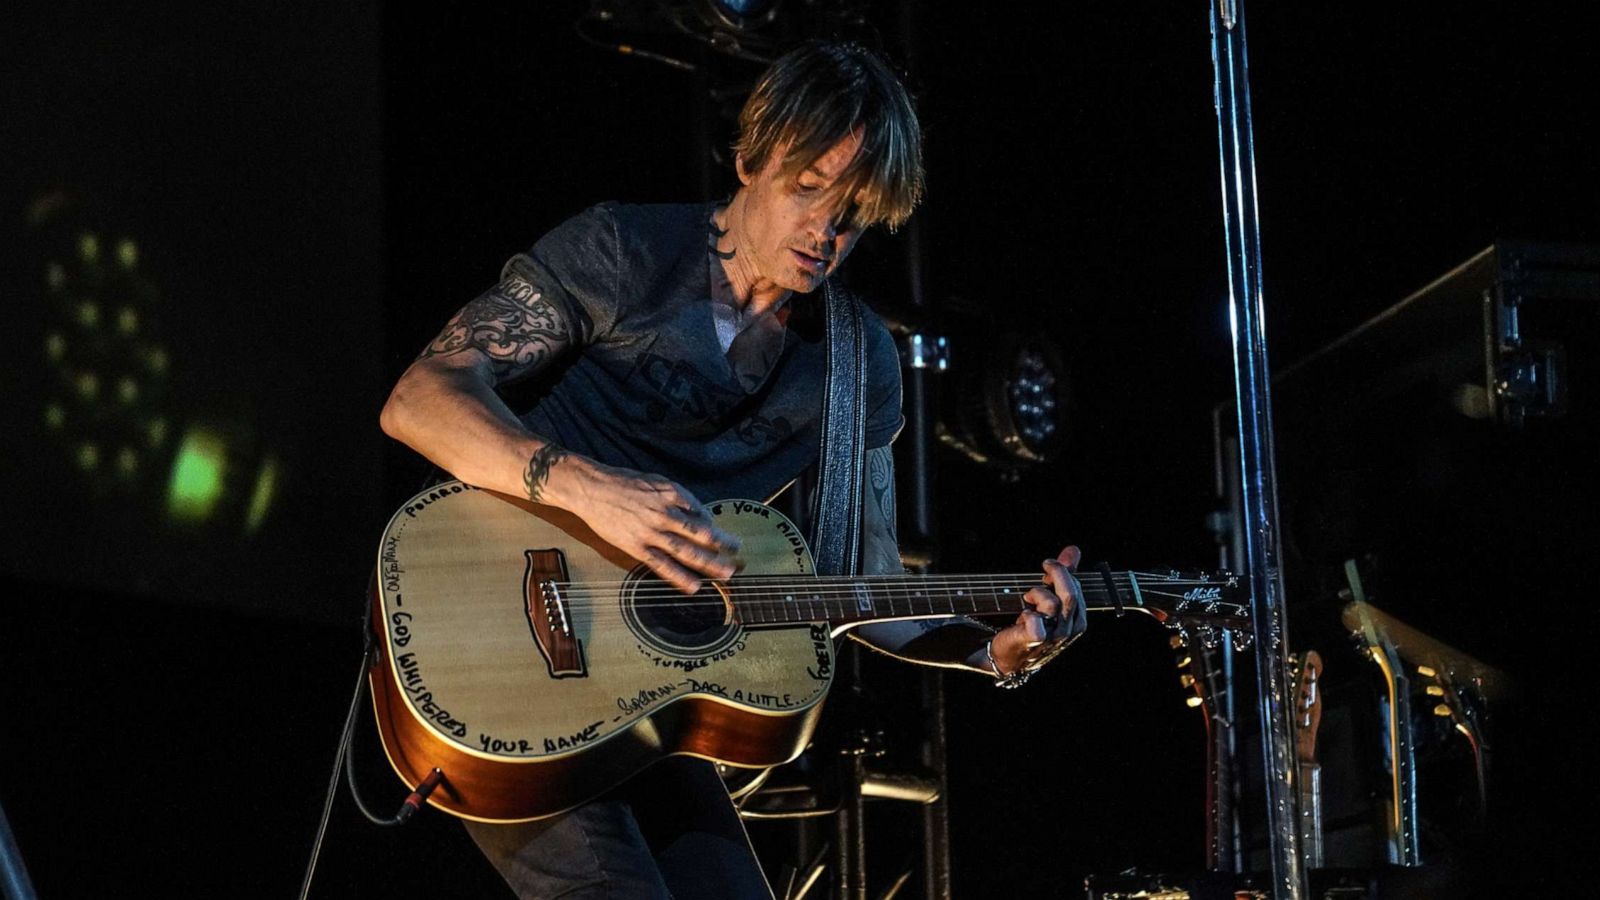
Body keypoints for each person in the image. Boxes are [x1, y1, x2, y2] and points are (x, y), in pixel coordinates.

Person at [380, 40, 1087, 900]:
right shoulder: (623, 251)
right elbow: (418, 398)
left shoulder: (857, 361)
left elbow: (856, 582)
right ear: (750, 158)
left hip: (643, 691)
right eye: (808, 188)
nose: (826, 232)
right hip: (495, 631)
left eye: (856, 213)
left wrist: (993, 650)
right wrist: (588, 489)